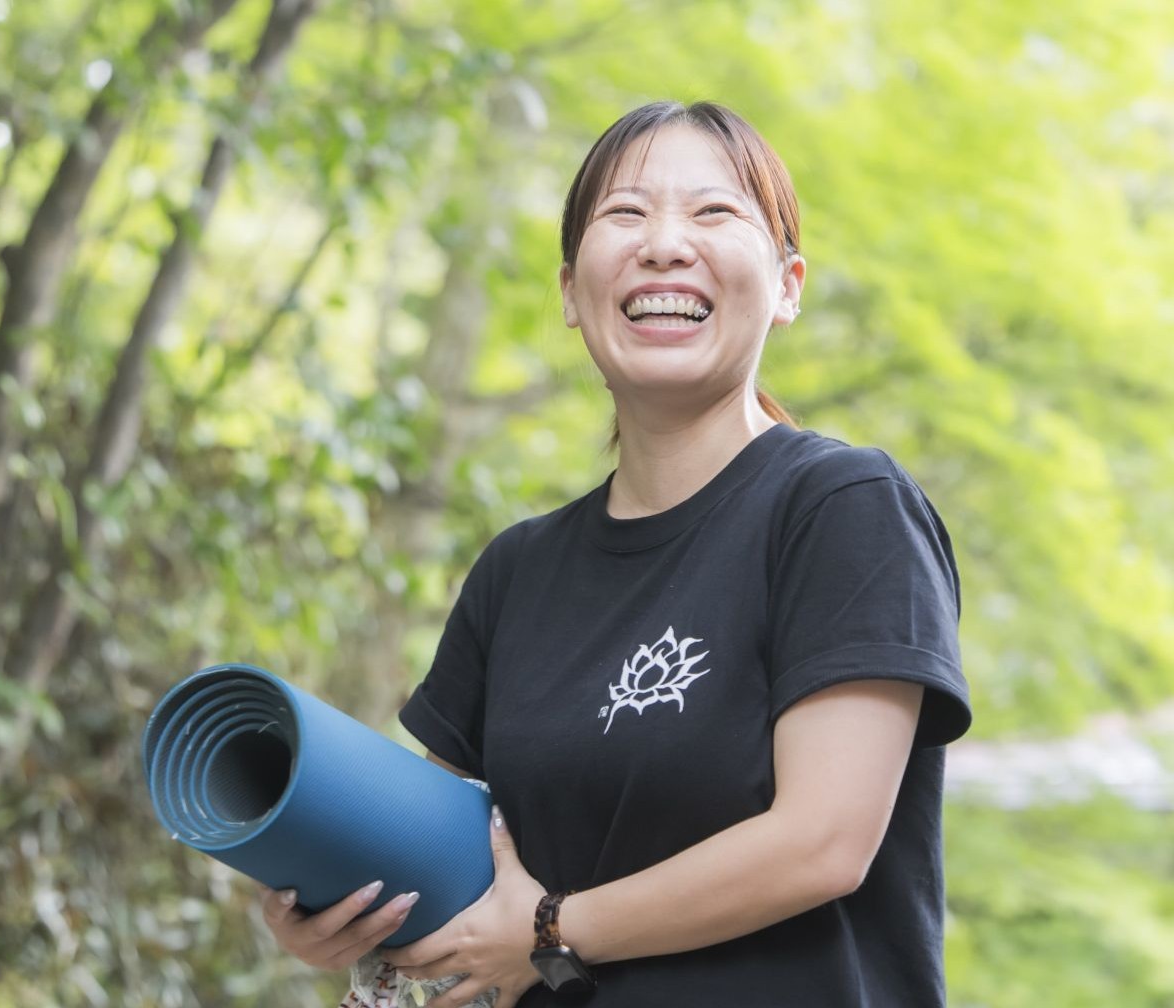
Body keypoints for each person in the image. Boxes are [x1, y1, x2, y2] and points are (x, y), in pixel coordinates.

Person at [260, 99, 972, 1008]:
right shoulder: (515, 573)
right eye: (625, 215)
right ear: (569, 291)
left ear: (789, 284)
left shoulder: (840, 509)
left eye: (714, 213)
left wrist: (552, 932)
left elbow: (822, 843)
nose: (665, 244)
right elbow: (441, 862)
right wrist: (333, 905)